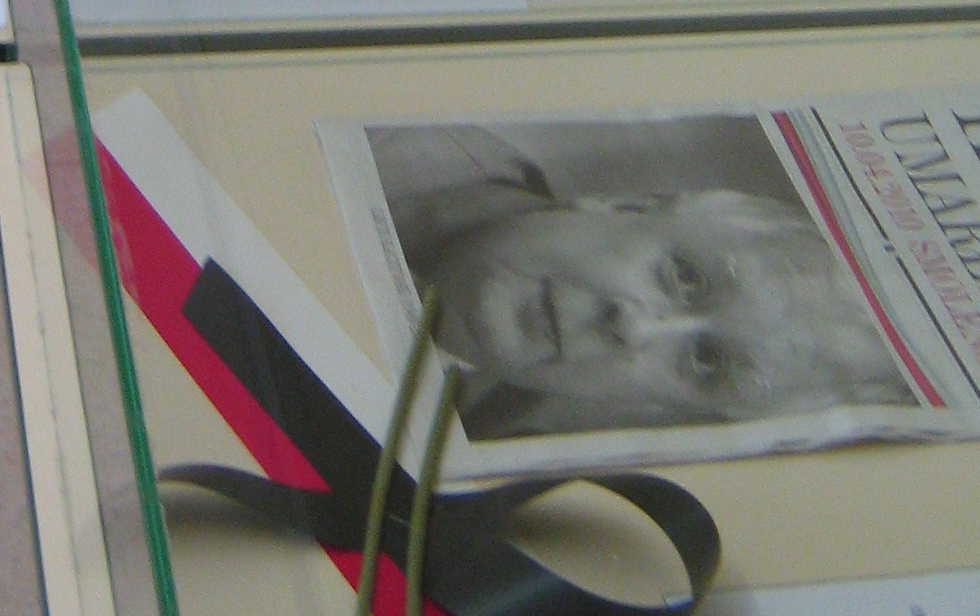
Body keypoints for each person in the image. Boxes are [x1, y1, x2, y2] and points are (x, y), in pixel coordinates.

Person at [375, 125, 917, 441]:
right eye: (685, 276)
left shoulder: (468, 441)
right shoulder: (385, 131)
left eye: (706, 362)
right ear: (626, 205)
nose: (634, 327)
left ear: (659, 407)